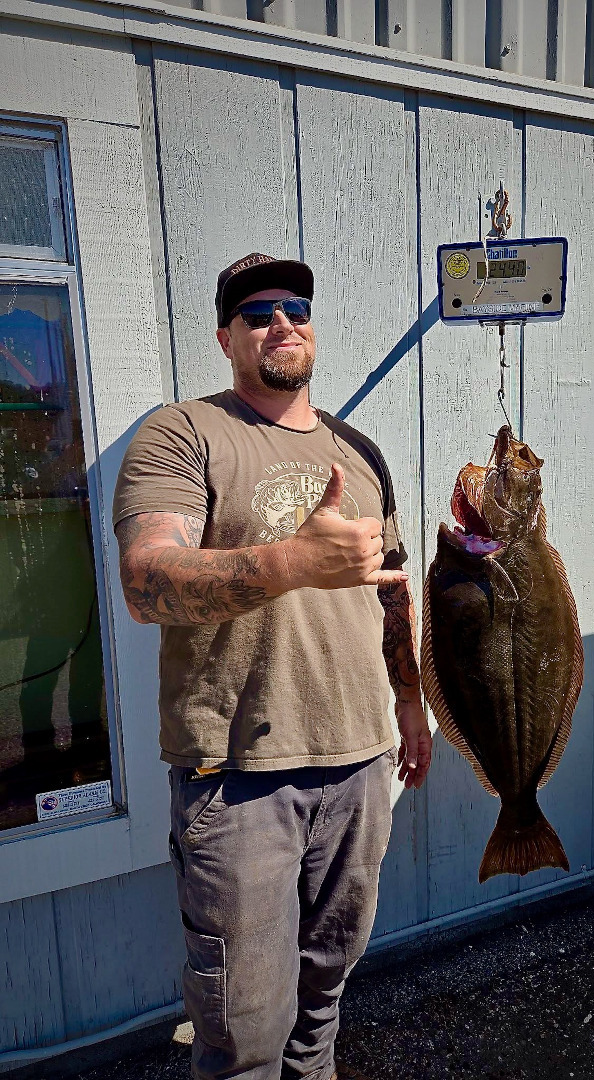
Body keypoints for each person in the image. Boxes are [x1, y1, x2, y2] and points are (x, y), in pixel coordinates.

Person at [113, 252, 432, 1080]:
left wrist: (409, 703)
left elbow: (393, 591)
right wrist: (294, 562)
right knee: (244, 1031)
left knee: (323, 998)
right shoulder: (184, 432)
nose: (281, 322)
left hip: (362, 762)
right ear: (227, 336)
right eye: (257, 313)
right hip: (240, 774)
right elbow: (146, 583)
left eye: (296, 306)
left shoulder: (359, 451)